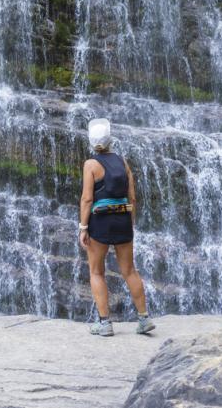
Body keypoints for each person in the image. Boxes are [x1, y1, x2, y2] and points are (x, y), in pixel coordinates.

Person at [78, 118, 155, 336]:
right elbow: (132, 196)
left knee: (96, 271)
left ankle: (105, 323)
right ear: (110, 140)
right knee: (129, 270)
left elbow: (86, 199)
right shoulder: (123, 162)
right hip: (122, 219)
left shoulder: (91, 164)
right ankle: (143, 319)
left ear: (92, 142)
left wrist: (83, 227)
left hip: (100, 222)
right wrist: (130, 222)